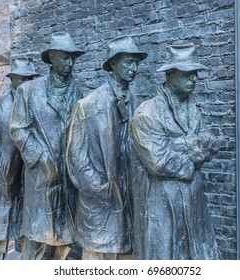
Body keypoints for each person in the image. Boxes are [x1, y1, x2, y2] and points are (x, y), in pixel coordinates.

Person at [130, 44, 220, 260]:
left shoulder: (193, 108)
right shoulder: (147, 114)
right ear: (170, 74)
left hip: (194, 204)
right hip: (163, 208)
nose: (195, 78)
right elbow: (160, 162)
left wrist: (178, 144)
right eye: (188, 73)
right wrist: (193, 153)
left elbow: (212, 142)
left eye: (196, 73)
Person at [67, 36, 147, 260]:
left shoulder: (135, 101)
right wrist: (101, 188)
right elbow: (76, 156)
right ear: (112, 64)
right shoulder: (90, 104)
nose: (134, 68)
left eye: (136, 63)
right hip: (100, 204)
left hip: (128, 203)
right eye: (128, 62)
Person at [10, 32, 85, 260]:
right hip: (41, 177)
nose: (69, 63)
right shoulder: (29, 90)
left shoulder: (77, 93)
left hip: (68, 179)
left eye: (72, 58)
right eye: (64, 57)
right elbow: (18, 129)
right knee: (38, 238)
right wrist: (41, 157)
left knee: (64, 240)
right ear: (52, 57)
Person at [0, 57, 40, 260]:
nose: (26, 82)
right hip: (2, 180)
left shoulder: (36, 106)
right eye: (22, 78)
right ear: (12, 79)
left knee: (27, 233)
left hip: (29, 180)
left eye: (30, 78)